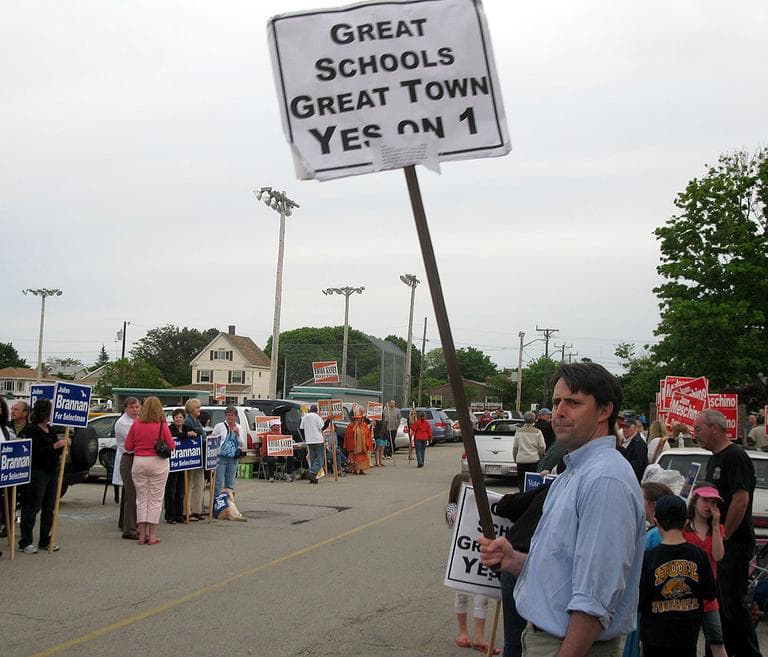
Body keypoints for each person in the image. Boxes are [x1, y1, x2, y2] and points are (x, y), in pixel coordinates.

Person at [479, 362, 644, 657]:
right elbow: (562, 569)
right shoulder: (573, 472)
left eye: (573, 403)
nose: (559, 411)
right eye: (556, 402)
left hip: (569, 646)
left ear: (604, 411)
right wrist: (514, 560)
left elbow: (594, 600)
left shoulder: (605, 479)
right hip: (544, 638)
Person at [693, 409, 762, 657]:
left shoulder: (736, 456)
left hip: (733, 543)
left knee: (733, 606)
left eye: (698, 429)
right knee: (717, 605)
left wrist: (724, 535)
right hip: (717, 543)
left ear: (715, 428)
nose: (694, 434)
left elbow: (741, 499)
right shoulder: (714, 458)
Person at [638, 495, 722, 657]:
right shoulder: (699, 556)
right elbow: (710, 593)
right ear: (685, 522)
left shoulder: (649, 558)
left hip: (654, 638)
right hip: (687, 637)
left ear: (656, 522)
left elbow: (640, 600)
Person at [446, 474, 498, 654]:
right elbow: (453, 517)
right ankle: (463, 632)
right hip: (462, 557)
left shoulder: (480, 506)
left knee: (481, 596)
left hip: (480, 554)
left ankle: (479, 636)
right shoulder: (453, 507)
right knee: (461, 594)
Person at [621, 482, 675, 657]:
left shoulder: (653, 537)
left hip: (646, 606)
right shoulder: (658, 533)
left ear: (653, 505)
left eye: (640, 498)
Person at [18, 398, 71, 554]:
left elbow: (55, 450)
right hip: (37, 472)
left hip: (51, 471)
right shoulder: (31, 430)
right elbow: (35, 452)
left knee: (49, 507)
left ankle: (45, 539)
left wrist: (64, 446)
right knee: (32, 507)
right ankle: (25, 541)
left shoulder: (51, 430)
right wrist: (55, 446)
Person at [683, 484, 728, 657]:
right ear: (695, 501)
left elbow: (718, 556)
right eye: (705, 500)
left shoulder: (717, 529)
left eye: (714, 502)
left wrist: (716, 526)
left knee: (717, 639)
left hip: (708, 594)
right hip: (686, 592)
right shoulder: (684, 527)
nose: (709, 505)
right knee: (686, 640)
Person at [124, 396, 175, 544]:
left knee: (141, 499)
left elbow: (128, 446)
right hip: (158, 463)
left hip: (139, 462)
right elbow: (171, 444)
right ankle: (152, 535)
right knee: (155, 499)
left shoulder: (136, 424)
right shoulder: (161, 424)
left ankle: (141, 534)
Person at [115, 396, 141, 539]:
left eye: (137, 407)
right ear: (125, 408)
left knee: (134, 495)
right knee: (131, 495)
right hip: (129, 458)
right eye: (131, 407)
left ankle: (132, 524)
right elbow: (135, 442)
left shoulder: (138, 420)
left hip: (139, 458)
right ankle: (129, 529)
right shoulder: (123, 423)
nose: (135, 410)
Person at [164, 409, 192, 524]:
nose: (178, 419)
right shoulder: (170, 428)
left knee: (181, 490)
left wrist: (191, 434)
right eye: (176, 417)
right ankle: (170, 515)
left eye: (180, 417)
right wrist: (186, 435)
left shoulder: (186, 427)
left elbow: (196, 433)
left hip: (182, 464)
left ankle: (179, 515)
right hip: (172, 464)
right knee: (171, 490)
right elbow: (173, 436)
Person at [211, 406, 245, 496]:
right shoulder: (219, 426)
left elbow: (242, 444)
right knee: (218, 481)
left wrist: (238, 435)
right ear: (225, 416)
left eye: (232, 415)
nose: (230, 417)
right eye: (228, 415)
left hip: (233, 457)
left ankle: (228, 502)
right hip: (221, 457)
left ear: (236, 416)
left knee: (230, 482)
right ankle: (216, 502)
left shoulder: (239, 427)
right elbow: (213, 439)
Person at [183, 399, 207, 521]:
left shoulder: (197, 421)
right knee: (189, 483)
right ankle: (187, 510)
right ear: (192, 409)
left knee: (199, 482)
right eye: (197, 408)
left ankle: (197, 509)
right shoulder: (187, 421)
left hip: (200, 455)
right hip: (191, 456)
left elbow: (202, 434)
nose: (199, 410)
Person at [512, 411, 546, 489]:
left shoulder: (519, 431)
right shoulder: (538, 432)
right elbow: (542, 447)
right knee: (532, 482)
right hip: (533, 460)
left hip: (521, 460)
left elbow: (515, 447)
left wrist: (515, 458)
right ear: (534, 420)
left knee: (521, 481)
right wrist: (540, 456)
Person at [300, 404, 325, 484]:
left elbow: (301, 428)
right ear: (316, 410)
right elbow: (323, 427)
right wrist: (328, 420)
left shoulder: (305, 417)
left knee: (313, 459)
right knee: (320, 459)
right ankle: (312, 472)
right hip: (318, 440)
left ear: (310, 410)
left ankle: (312, 478)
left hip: (309, 441)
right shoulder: (317, 417)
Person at [619, 414, 648, 482]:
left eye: (627, 427)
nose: (624, 429)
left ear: (635, 428)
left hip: (635, 480)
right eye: (623, 427)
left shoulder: (637, 442)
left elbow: (637, 466)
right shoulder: (630, 440)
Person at [344, 409, 373, 474]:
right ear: (355, 419)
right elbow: (349, 435)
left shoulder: (364, 425)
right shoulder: (350, 426)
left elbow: (367, 433)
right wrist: (356, 426)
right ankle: (355, 470)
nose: (359, 420)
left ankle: (361, 469)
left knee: (363, 458)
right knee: (355, 458)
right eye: (358, 419)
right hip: (355, 446)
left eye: (360, 418)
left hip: (363, 446)